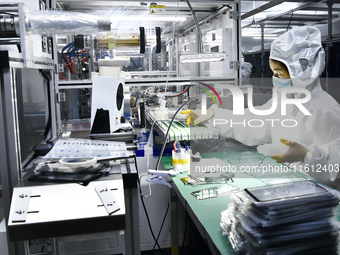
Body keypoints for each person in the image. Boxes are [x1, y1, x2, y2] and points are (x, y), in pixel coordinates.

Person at [182, 26, 340, 189]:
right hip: (290, 187)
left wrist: (308, 157)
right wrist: (214, 115)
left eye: (279, 74)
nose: (275, 80)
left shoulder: (323, 109)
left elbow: (336, 162)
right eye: (274, 73)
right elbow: (252, 121)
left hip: (321, 197)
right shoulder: (283, 101)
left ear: (299, 73)